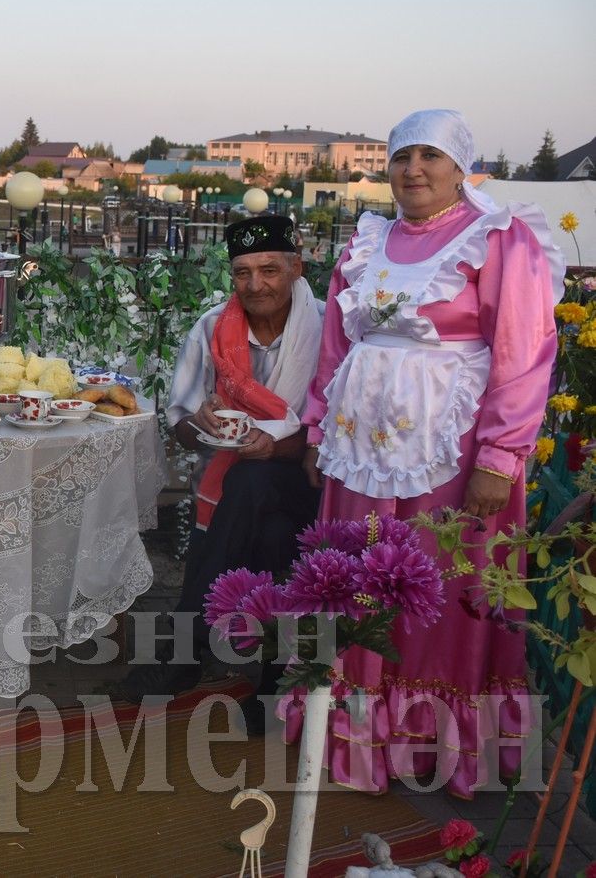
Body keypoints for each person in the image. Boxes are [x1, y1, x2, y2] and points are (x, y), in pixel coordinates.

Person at [286, 109, 564, 798]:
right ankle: (352, 732)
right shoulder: (367, 242)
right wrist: (317, 428)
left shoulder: (497, 239)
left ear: (458, 166)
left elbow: (524, 352)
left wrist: (500, 458)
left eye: (428, 157)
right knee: (353, 575)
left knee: (435, 587)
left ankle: (428, 742)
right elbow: (334, 347)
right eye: (400, 156)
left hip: (449, 454)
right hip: (359, 451)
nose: (411, 170)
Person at [120, 216, 324, 733]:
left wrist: (280, 445)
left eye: (270, 270)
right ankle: (274, 682)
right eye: (243, 273)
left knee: (255, 484)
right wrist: (201, 423)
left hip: (311, 481)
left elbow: (342, 422)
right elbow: (180, 423)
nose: (256, 285)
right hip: (242, 488)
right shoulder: (213, 328)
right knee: (269, 522)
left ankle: (184, 650)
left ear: (296, 269)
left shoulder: (327, 327)